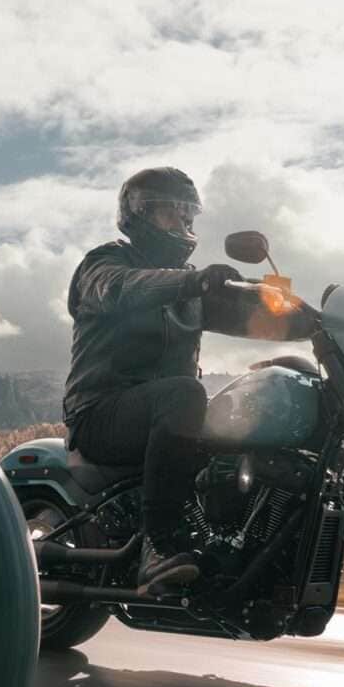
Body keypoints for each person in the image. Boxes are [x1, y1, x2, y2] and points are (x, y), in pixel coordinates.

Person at [63, 166, 252, 592]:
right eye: (173, 214)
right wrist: (191, 281)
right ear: (139, 215)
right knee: (185, 394)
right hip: (100, 413)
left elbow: (251, 317)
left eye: (189, 216)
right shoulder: (105, 263)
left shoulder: (191, 286)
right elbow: (120, 288)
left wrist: (320, 319)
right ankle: (160, 544)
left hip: (160, 412)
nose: (183, 225)